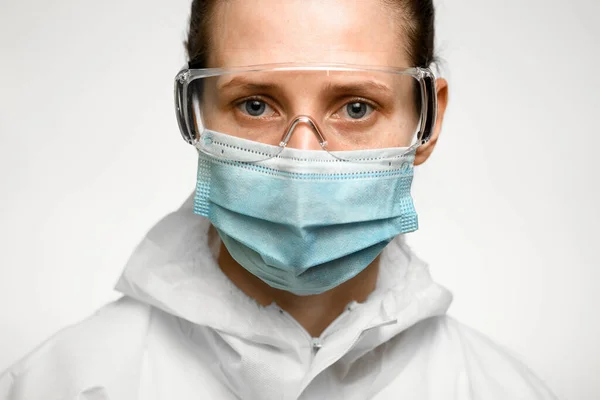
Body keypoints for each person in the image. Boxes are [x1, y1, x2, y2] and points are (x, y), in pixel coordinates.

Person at [0, 0, 559, 399]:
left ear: (428, 121)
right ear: (197, 111)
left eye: (357, 106)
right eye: (256, 104)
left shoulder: (500, 391)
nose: (301, 158)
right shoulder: (61, 386)